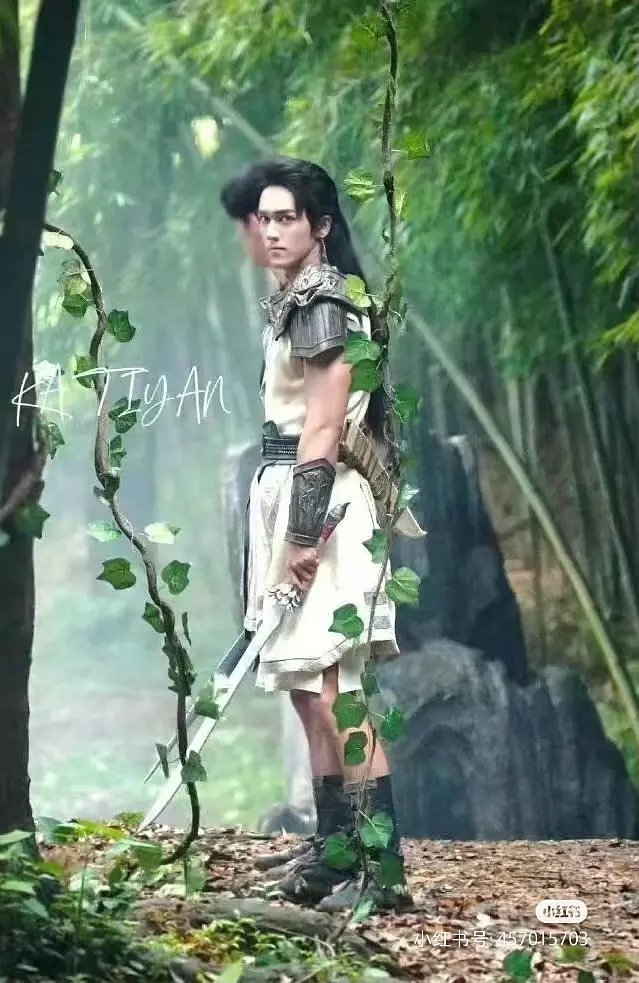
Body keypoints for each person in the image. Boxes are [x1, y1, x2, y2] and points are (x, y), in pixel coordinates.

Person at [222, 158, 412, 912]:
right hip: (290, 493)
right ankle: (334, 850)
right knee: (308, 689)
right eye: (265, 218)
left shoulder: (326, 304)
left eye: (287, 218)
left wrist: (303, 536)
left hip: (325, 504)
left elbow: (325, 429)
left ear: (321, 226)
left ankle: (381, 868)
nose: (272, 231)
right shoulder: (295, 302)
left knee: (338, 690)